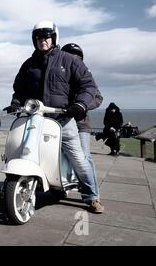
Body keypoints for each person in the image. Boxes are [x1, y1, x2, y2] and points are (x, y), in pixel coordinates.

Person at [6, 21, 104, 214]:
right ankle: (8, 188)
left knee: (79, 159)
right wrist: (16, 103)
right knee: (18, 150)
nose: (43, 40)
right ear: (34, 40)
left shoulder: (69, 60)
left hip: (63, 119)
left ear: (54, 38)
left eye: (47, 36)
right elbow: (19, 89)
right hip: (35, 118)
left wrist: (80, 104)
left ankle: (92, 196)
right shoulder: (28, 64)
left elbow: (88, 86)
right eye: (39, 37)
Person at [62, 43, 103, 200]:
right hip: (59, 121)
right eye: (70, 55)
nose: (74, 59)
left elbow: (98, 97)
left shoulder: (85, 74)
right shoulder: (59, 73)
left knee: (85, 158)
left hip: (80, 123)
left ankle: (92, 196)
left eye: (77, 57)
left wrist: (82, 106)